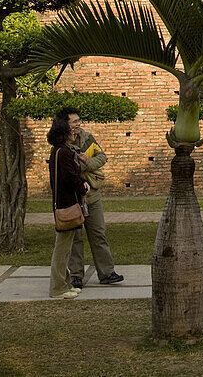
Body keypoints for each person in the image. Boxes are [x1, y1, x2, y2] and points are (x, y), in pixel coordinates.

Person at [59, 108, 124, 288]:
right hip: (73, 196)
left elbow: (102, 157)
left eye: (79, 121)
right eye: (74, 122)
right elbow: (68, 170)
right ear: (65, 124)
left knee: (98, 234)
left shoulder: (88, 138)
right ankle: (76, 275)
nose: (78, 124)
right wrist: (81, 168)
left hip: (92, 196)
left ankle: (107, 273)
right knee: (76, 238)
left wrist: (87, 163)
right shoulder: (61, 145)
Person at [47, 115, 87, 299]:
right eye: (72, 130)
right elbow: (70, 178)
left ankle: (66, 283)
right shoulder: (62, 152)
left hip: (65, 202)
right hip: (66, 204)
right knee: (62, 250)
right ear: (64, 132)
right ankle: (57, 288)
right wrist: (83, 186)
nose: (75, 132)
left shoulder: (59, 151)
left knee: (66, 248)